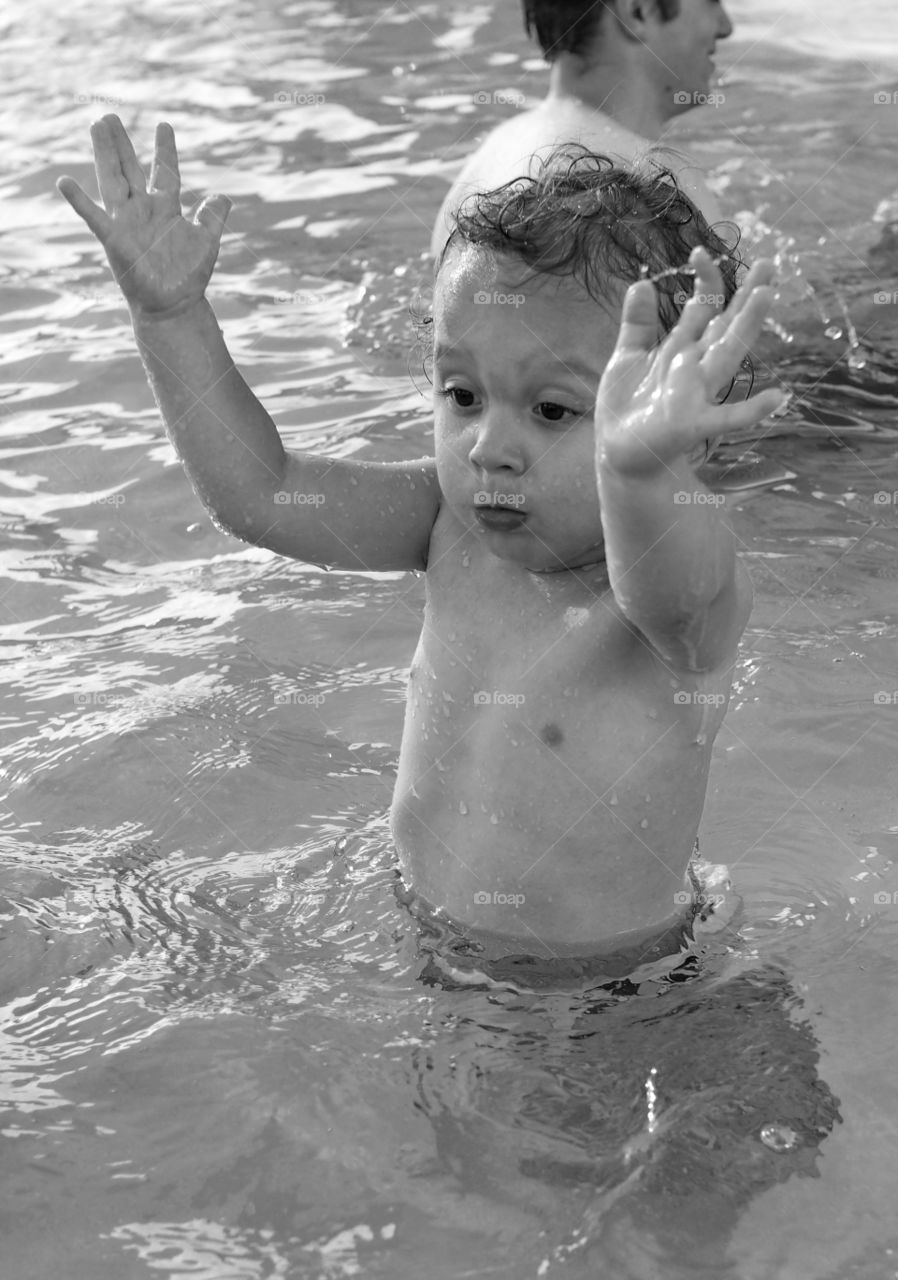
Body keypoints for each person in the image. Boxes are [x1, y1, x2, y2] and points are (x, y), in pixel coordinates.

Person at [57, 116, 785, 972]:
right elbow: (260, 493)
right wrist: (171, 315)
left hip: (625, 992)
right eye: (462, 394)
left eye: (553, 410)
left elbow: (672, 580)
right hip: (435, 954)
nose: (489, 447)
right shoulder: (447, 522)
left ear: (682, 438)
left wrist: (639, 474)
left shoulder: (672, 604)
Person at [431, 0, 733, 256]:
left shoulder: (493, 156)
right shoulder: (645, 182)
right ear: (638, 10)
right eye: (711, 1)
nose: (725, 26)